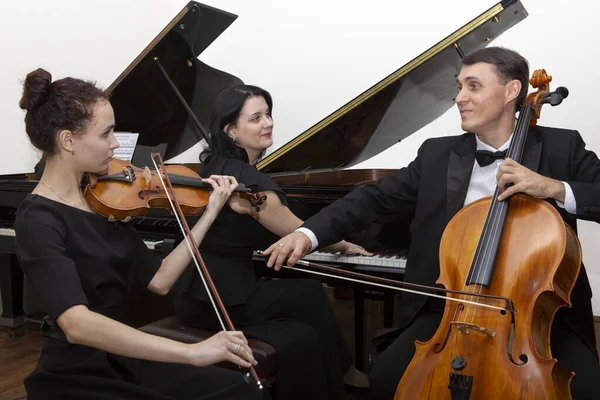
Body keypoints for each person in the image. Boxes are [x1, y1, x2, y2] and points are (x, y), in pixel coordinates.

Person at [263, 46, 600, 399]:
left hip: (539, 316)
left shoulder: (563, 147)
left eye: (473, 86)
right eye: (459, 87)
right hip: (449, 309)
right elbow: (372, 199)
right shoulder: (437, 154)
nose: (459, 98)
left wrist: (555, 188)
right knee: (389, 378)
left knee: (585, 390)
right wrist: (307, 233)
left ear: (512, 91)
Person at [14, 68, 268, 400]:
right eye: (106, 134)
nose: (116, 144)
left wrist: (209, 213)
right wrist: (191, 352)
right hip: (78, 371)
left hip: (125, 356)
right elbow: (77, 324)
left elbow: (160, 280)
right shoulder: (38, 219)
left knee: (238, 391)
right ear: (68, 140)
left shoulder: (105, 201)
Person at [172, 84, 371, 400]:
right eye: (255, 118)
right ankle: (344, 373)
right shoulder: (252, 185)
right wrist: (345, 245)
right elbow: (301, 232)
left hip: (194, 293)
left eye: (268, 114)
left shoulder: (215, 167)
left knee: (296, 300)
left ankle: (331, 370)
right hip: (221, 299)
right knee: (306, 293)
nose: (267, 123)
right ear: (231, 130)